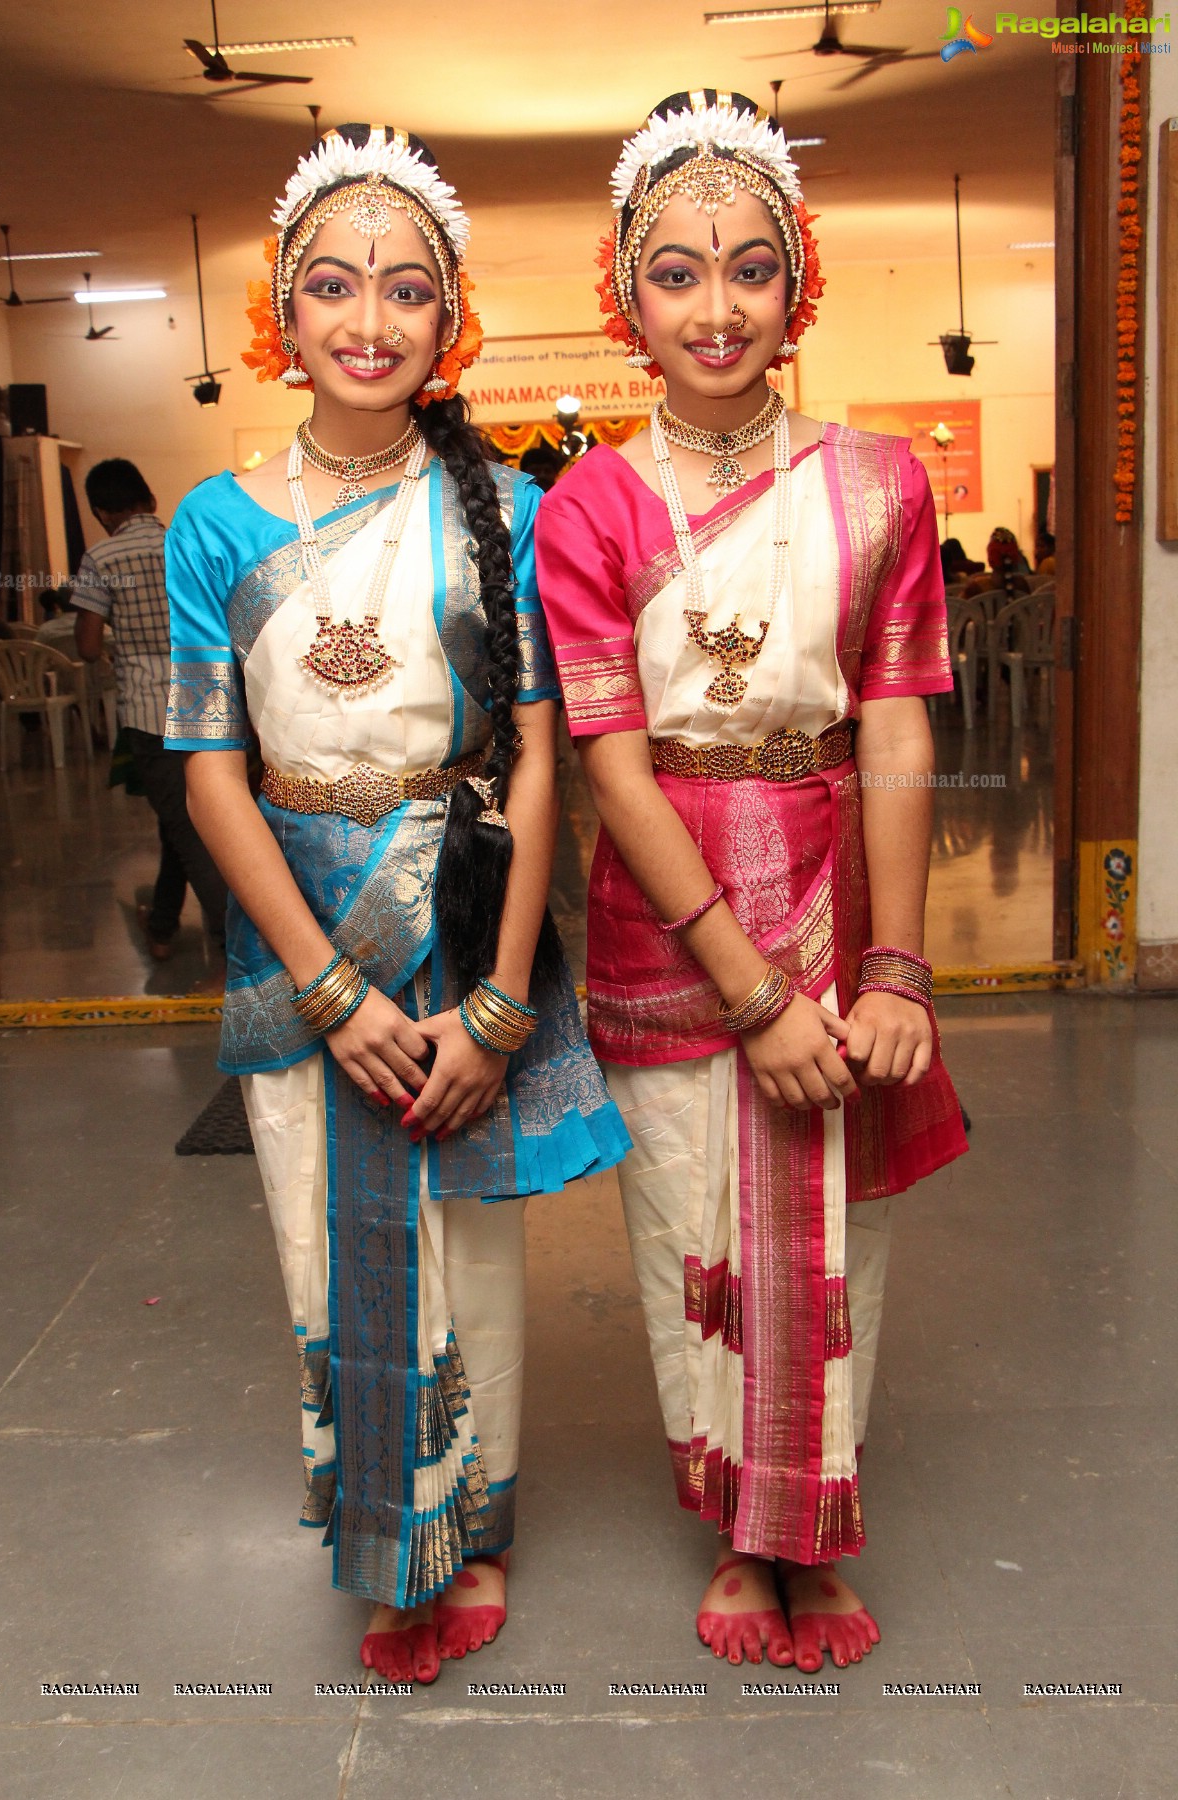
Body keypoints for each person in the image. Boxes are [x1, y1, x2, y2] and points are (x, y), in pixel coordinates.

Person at [163, 123, 629, 1686]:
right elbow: (210, 772)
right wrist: (325, 988)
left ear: (453, 318)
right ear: (278, 312)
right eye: (335, 287)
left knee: (471, 1252)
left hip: (461, 914)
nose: (371, 321)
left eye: (409, 290)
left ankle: (469, 1522)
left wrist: (498, 999)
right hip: (300, 932)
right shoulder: (212, 524)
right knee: (325, 1236)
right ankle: (390, 1531)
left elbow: (541, 761)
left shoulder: (501, 504)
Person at [535, 90, 968, 1675]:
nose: (715, 307)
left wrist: (898, 965)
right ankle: (741, 1529)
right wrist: (748, 985)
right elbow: (609, 758)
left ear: (800, 286)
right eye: (675, 271)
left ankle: (811, 1520)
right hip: (676, 909)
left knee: (836, 1232)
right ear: (624, 296)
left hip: (843, 885)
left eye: (748, 267)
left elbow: (902, 716)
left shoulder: (879, 483)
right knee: (688, 1224)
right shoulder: (591, 503)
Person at [73, 460, 228, 981]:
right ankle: (162, 925)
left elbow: (89, 647)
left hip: (146, 709)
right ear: (150, 499)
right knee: (186, 821)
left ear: (99, 510)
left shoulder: (101, 556)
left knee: (186, 827)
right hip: (209, 695)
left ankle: (235, 939)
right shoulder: (184, 539)